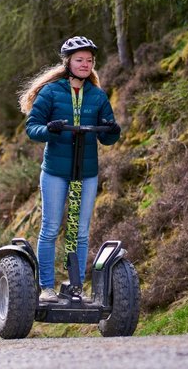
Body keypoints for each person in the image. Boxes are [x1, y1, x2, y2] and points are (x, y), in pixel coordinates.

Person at [18, 36, 122, 303]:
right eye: (79, 60)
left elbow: (107, 137)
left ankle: (76, 287)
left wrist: (113, 130)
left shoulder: (98, 96)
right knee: (51, 228)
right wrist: (49, 130)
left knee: (81, 231)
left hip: (86, 172)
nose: (85, 64)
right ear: (68, 63)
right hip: (55, 170)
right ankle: (47, 289)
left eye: (89, 60)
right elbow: (33, 128)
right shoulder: (51, 92)